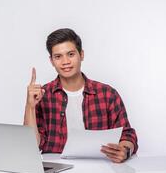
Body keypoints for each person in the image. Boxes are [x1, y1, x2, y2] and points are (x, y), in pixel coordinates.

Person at [24, 28, 138, 163]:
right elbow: (29, 146)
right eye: (58, 56)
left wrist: (125, 151)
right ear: (52, 61)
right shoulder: (42, 96)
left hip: (101, 170)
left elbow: (127, 135)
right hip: (56, 171)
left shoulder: (107, 94)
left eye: (71, 54)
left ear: (81, 55)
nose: (65, 61)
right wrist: (30, 106)